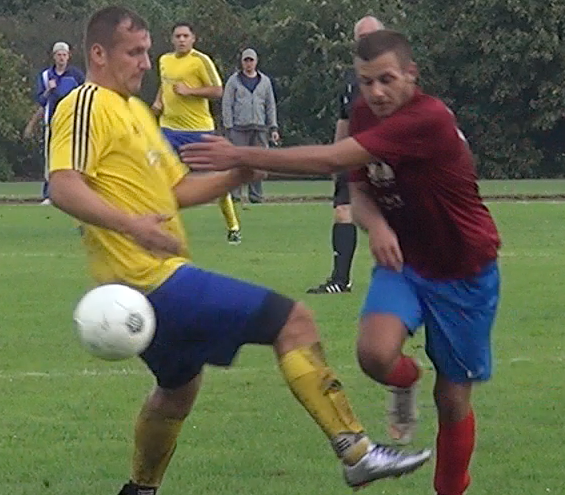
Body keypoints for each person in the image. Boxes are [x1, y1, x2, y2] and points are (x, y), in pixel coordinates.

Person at [47, 8, 432, 495]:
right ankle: (356, 451)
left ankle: (138, 491)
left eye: (148, 50)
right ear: (98, 54)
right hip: (147, 280)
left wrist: (238, 173)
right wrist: (132, 227)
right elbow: (62, 185)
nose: (147, 62)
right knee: (293, 321)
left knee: (177, 391)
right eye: (135, 52)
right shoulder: (85, 102)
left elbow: (179, 190)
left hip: (154, 278)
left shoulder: (136, 112)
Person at [181, 29, 501, 495]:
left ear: (412, 75)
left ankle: (451, 489)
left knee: (452, 399)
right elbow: (359, 188)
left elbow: (332, 158)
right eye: (366, 82)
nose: (375, 92)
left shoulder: (427, 119)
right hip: (405, 263)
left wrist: (239, 154)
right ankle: (405, 380)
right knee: (373, 355)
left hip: (463, 271)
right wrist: (379, 227)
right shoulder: (365, 113)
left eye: (386, 80)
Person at [307, 16, 384, 295]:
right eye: (360, 37)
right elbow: (344, 119)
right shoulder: (352, 78)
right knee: (342, 210)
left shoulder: (397, 73)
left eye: (371, 36)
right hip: (352, 154)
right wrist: (334, 155)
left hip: (385, 156)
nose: (366, 41)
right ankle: (341, 280)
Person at [151, 22, 243, 244]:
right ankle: (161, 227)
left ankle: (233, 226)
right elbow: (164, 84)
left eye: (185, 36)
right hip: (169, 129)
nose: (181, 40)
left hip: (198, 130)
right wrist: (158, 102)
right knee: (159, 176)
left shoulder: (200, 61)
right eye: (177, 36)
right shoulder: (164, 60)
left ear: (193, 39)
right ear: (172, 39)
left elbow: (218, 90)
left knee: (217, 180)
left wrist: (190, 91)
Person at [222, 48, 279, 204]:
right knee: (238, 162)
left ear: (256, 61)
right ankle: (235, 194)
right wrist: (228, 126)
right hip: (239, 127)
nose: (248, 63)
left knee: (259, 163)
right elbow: (227, 104)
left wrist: (273, 127)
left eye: (251, 60)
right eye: (246, 60)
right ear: (242, 62)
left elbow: (270, 105)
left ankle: (256, 195)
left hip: (259, 127)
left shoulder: (265, 81)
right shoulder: (234, 81)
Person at [33, 41, 85, 204]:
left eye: (64, 54)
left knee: (74, 157)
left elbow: (85, 95)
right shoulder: (46, 75)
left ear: (69, 56)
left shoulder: (76, 75)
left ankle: (75, 193)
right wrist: (49, 90)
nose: (62, 58)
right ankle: (49, 194)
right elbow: (40, 100)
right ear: (54, 56)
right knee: (51, 158)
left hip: (73, 122)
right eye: (59, 55)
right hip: (52, 122)